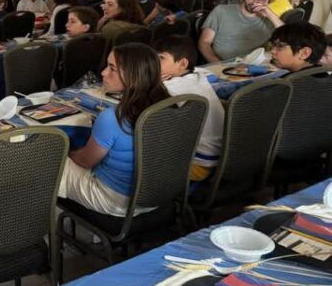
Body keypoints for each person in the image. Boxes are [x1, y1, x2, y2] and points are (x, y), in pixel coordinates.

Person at [58, 44, 170, 216]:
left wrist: (67, 152)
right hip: (158, 195)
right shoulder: (169, 105)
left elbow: (85, 162)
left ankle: (31, 222)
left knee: (48, 161)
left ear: (134, 75)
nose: (103, 73)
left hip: (117, 200)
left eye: (112, 68)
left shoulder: (113, 117)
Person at [154, 35, 225, 182]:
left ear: (182, 63)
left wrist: (153, 82)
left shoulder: (169, 87)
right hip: (220, 156)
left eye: (161, 58)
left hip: (198, 164)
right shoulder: (199, 76)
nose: (153, 62)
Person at [198, 0, 284, 62]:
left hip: (253, 65)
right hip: (222, 64)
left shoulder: (269, 20)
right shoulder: (221, 11)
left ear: (268, 1)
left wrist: (270, 14)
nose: (255, 2)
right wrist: (218, 64)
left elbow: (288, 39)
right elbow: (204, 43)